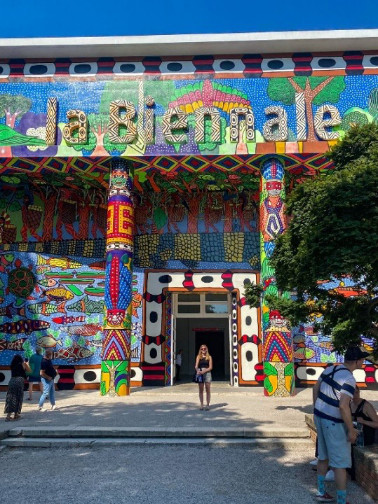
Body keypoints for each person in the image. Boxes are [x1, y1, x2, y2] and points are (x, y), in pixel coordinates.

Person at [313, 346, 369, 503]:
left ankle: (321, 492)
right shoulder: (349, 379)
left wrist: (317, 409)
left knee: (323, 456)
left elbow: (315, 388)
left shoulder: (330, 369)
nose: (363, 362)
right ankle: (341, 501)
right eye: (362, 360)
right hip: (334, 423)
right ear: (357, 361)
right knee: (340, 463)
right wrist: (351, 430)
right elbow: (344, 405)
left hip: (320, 417)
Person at [4, 354, 31, 421]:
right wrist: (27, 363)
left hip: (12, 381)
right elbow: (29, 370)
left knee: (10, 398)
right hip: (19, 381)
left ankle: (8, 416)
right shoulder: (23, 364)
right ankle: (16, 414)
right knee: (18, 397)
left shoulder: (12, 365)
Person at [194, 344, 213, 411]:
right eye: (202, 349)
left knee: (208, 389)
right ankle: (201, 404)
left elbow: (210, 367)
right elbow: (196, 365)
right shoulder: (198, 357)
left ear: (206, 349)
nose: (203, 350)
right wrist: (198, 370)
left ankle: (207, 405)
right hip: (200, 373)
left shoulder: (209, 357)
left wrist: (205, 371)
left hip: (207, 373)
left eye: (204, 348)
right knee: (201, 390)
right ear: (200, 350)